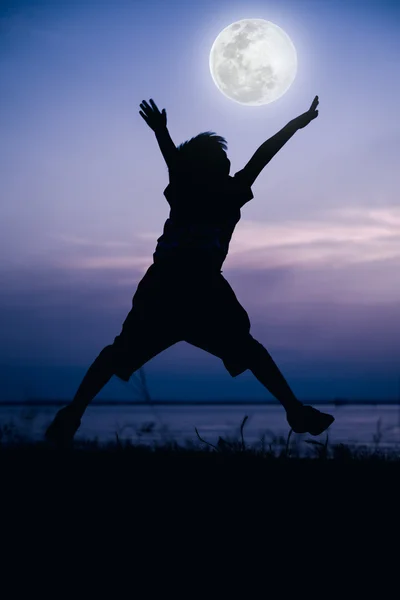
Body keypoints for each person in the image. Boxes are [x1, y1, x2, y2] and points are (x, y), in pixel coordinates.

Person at [45, 96, 334, 445]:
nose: (227, 162)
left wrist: (295, 124)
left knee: (123, 354)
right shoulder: (203, 187)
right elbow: (253, 156)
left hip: (186, 289)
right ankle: (72, 414)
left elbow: (259, 154)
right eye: (220, 159)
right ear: (204, 167)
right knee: (239, 350)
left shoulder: (213, 187)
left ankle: (295, 410)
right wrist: (163, 134)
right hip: (177, 289)